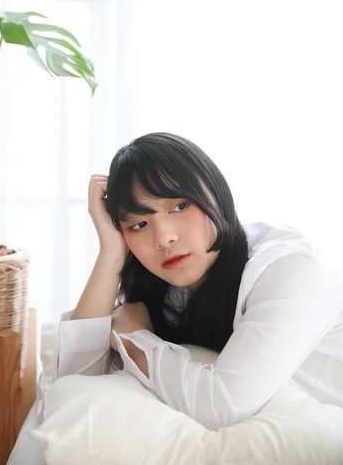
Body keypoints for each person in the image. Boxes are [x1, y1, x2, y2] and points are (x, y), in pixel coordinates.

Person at [54, 132, 343, 430]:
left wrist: (135, 339)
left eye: (179, 207)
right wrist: (111, 253)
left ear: (215, 192)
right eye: (139, 224)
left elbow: (224, 406)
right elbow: (75, 383)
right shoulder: (164, 286)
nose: (164, 238)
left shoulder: (290, 267)